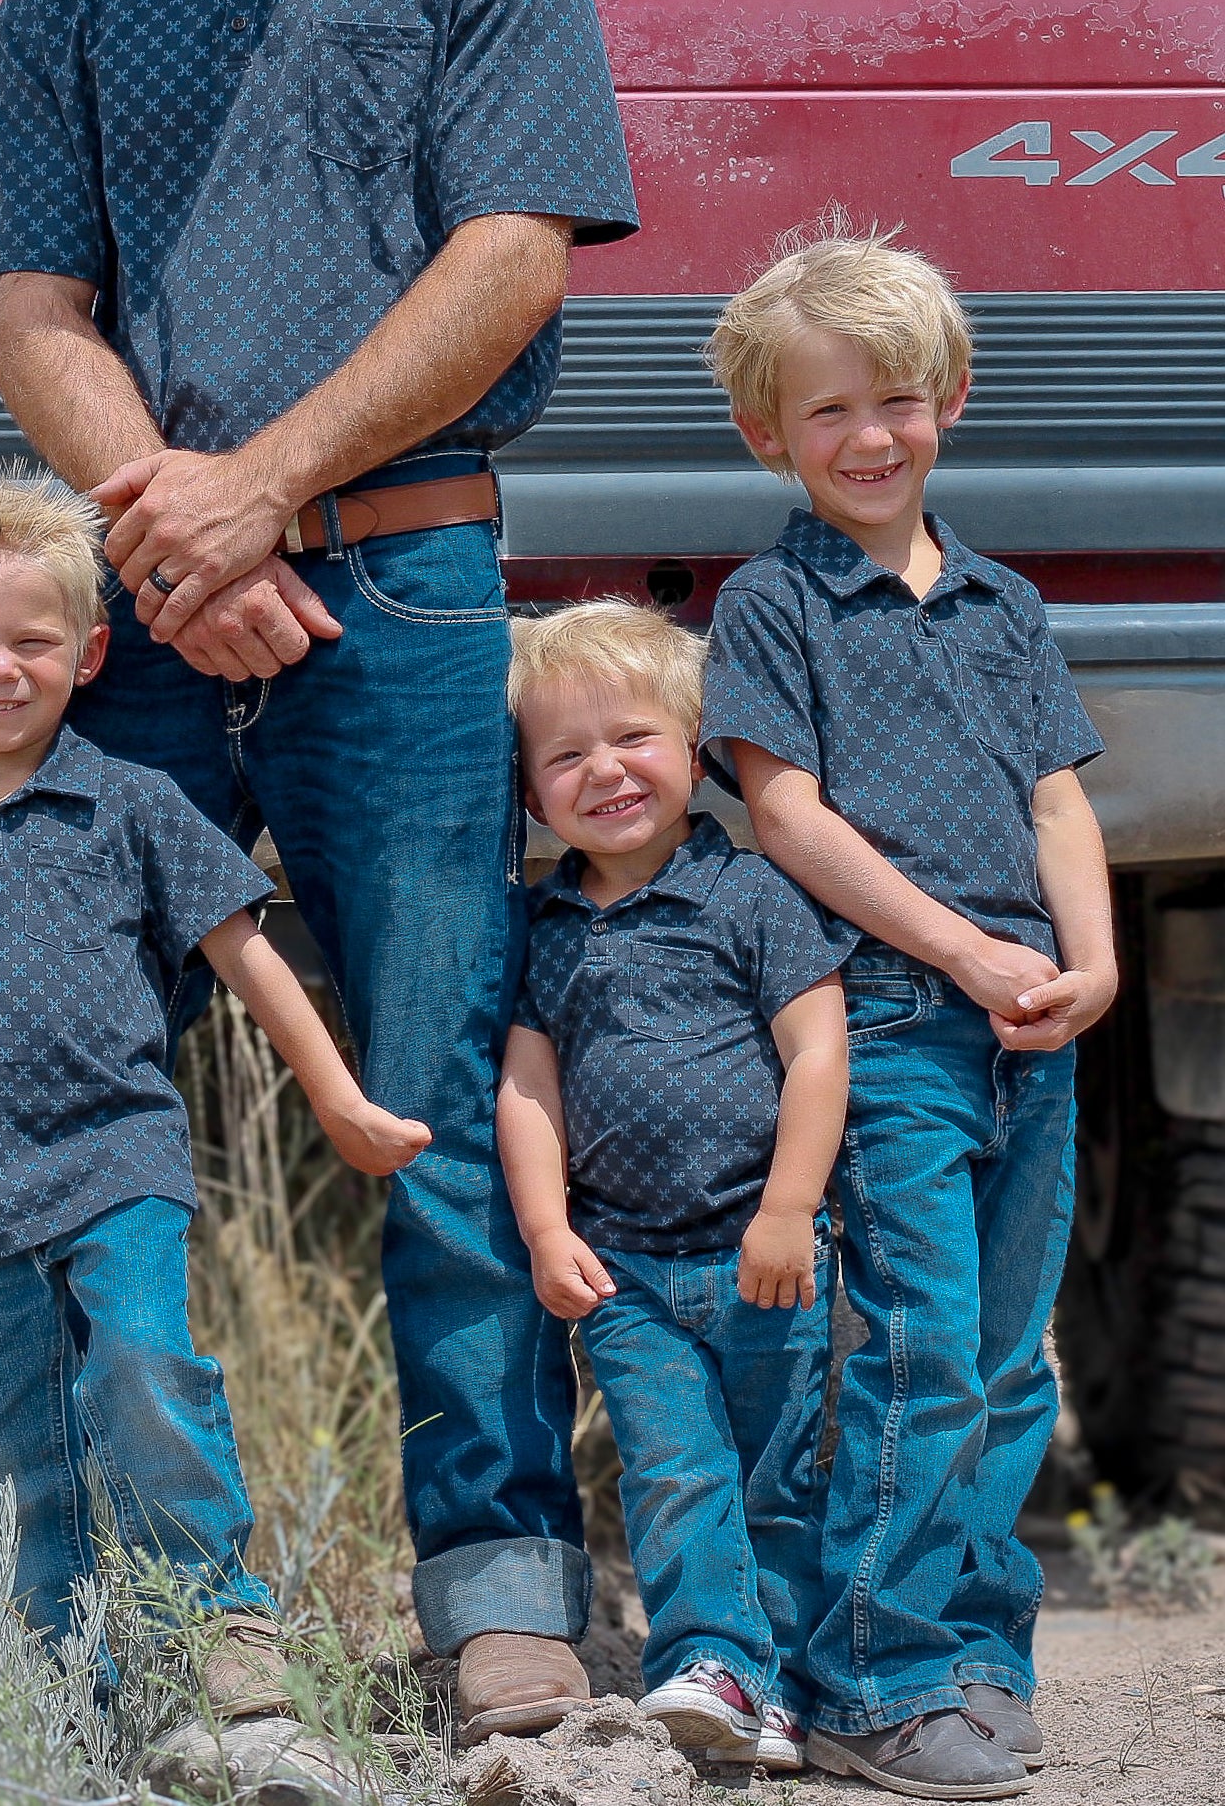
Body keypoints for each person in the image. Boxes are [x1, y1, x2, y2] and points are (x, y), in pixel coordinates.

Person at [0, 0, 638, 1736]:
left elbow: (510, 258)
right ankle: (179, 1613)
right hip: (145, 610)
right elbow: (35, 307)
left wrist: (257, 495)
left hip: (408, 592)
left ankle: (496, 1597)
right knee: (81, 1107)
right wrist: (176, 534)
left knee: (438, 1083)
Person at [0, 475, 430, 1694]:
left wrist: (336, 1096)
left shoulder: (133, 805)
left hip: (118, 1158)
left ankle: (216, 1627)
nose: (1, 668)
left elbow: (245, 952)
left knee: (140, 1368)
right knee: (2, 1445)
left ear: (89, 653)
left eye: (33, 641)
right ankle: (60, 1682)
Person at [698, 224, 1117, 1801]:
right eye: (829, 411)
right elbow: (787, 816)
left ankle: (978, 1653)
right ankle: (872, 1678)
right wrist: (967, 956)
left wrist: (1089, 967)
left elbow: (1058, 804)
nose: (869, 436)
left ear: (950, 398)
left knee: (1009, 1361)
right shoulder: (773, 604)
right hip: (889, 1020)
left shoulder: (1005, 603)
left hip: (1030, 1032)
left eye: (896, 400)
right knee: (920, 1349)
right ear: (770, 434)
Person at [497, 601, 851, 1775]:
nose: (603, 770)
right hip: (628, 1271)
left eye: (632, 737)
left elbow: (817, 1052)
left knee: (779, 1476)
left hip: (764, 1254)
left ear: (696, 751)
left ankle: (788, 1687)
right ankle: (711, 1663)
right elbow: (529, 1089)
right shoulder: (543, 925)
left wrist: (788, 1209)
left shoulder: (753, 895)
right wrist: (545, 1229)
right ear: (530, 791)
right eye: (565, 755)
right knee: (673, 1472)